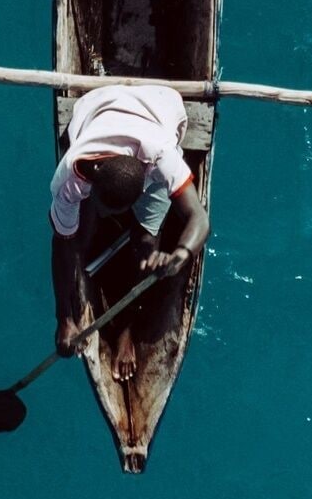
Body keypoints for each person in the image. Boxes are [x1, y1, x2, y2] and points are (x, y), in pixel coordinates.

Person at [50, 81, 209, 379]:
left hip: (161, 107)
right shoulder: (72, 174)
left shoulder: (162, 156)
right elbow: (61, 243)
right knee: (79, 235)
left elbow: (200, 219)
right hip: (96, 105)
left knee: (147, 240)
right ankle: (81, 284)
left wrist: (180, 254)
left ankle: (126, 329)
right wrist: (64, 318)